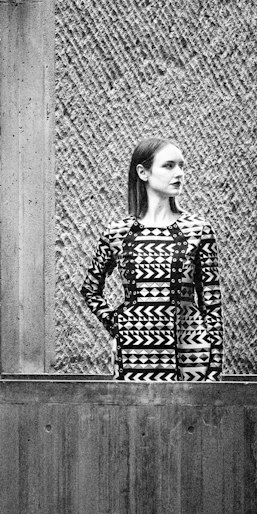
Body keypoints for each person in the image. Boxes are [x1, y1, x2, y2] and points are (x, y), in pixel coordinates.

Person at [81, 136, 223, 381]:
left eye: (181, 166)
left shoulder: (198, 230)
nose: (179, 173)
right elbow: (90, 289)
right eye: (168, 166)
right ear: (143, 172)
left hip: (191, 353)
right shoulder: (117, 232)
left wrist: (215, 367)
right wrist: (117, 324)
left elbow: (212, 304)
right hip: (135, 352)